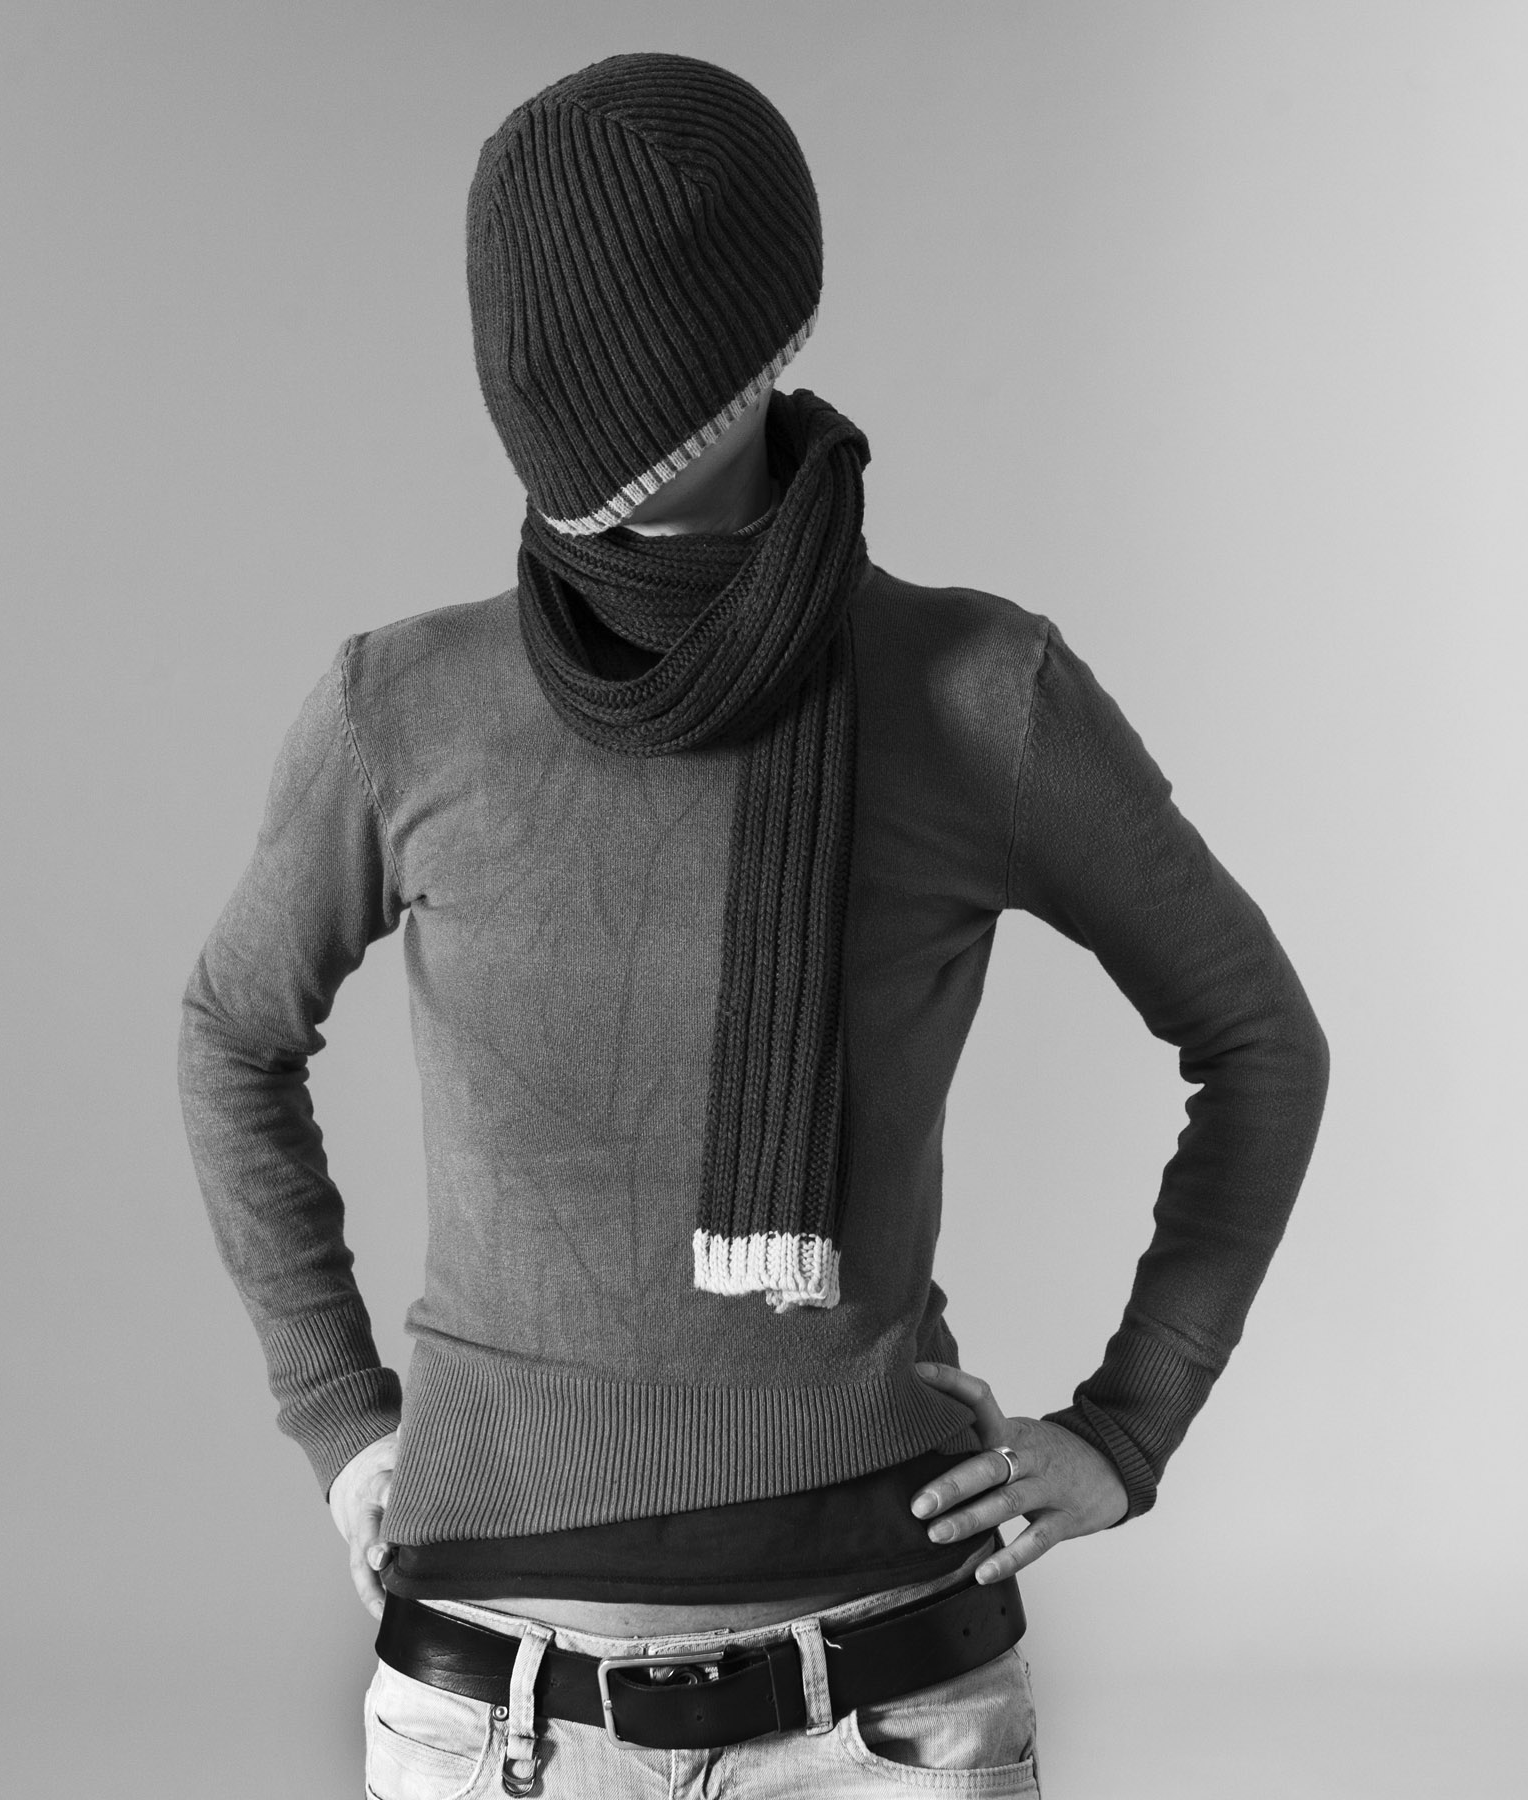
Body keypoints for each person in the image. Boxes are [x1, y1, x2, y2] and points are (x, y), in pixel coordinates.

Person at [178, 51, 1328, 1799]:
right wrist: (339, 1414)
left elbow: (1258, 1041)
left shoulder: (977, 692)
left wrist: (1127, 1425)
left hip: (887, 1710)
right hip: (496, 1717)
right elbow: (233, 1037)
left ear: (757, 333)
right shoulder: (403, 709)